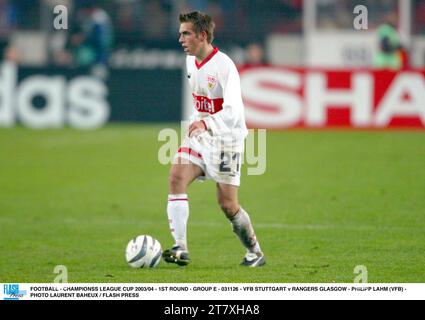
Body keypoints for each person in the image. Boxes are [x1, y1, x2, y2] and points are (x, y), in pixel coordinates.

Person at [162, 11, 265, 267]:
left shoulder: (225, 66)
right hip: (201, 136)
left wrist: (205, 122)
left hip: (226, 140)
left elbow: (233, 112)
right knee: (176, 177)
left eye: (186, 33)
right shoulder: (189, 62)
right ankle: (181, 247)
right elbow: (201, 102)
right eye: (180, 33)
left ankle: (255, 251)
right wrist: (196, 121)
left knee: (228, 205)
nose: (181, 39)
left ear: (202, 35)